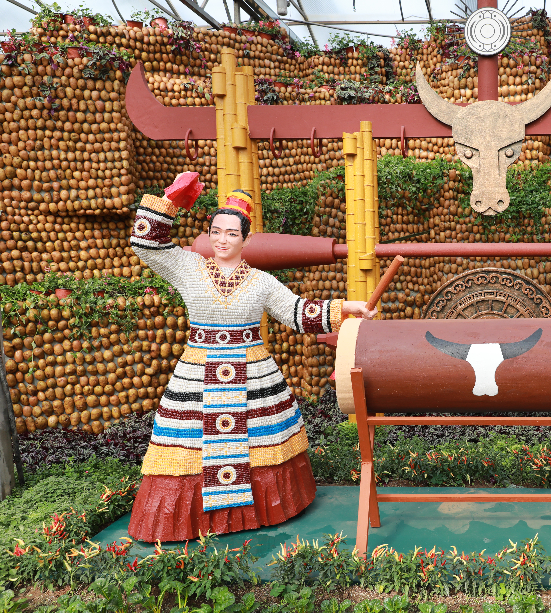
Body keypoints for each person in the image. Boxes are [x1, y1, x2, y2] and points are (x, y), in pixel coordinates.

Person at [127, 172, 376, 542]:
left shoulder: (261, 281)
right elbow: (145, 244)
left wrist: (348, 307)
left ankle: (258, 514)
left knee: (260, 444)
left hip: (254, 373)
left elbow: (297, 312)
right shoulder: (187, 266)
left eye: (231, 233)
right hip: (198, 372)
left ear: (245, 239)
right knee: (188, 446)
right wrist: (170, 200)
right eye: (216, 232)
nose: (222, 239)